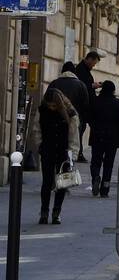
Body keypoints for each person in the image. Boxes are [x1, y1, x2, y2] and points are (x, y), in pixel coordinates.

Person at [37, 87, 78, 224]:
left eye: (54, 105)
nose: (52, 108)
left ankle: (56, 212)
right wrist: (40, 145)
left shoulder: (70, 113)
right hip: (48, 149)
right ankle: (44, 212)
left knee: (62, 183)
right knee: (47, 182)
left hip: (63, 151)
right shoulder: (42, 110)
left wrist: (72, 153)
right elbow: (36, 130)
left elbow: (73, 134)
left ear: (59, 103)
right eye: (49, 105)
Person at [88, 80, 119, 197]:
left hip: (97, 136)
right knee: (108, 164)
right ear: (113, 91)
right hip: (112, 138)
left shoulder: (95, 101)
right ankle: (105, 189)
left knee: (95, 162)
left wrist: (95, 126)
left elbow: (89, 117)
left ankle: (95, 177)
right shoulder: (117, 103)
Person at [47, 62, 89, 136]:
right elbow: (85, 107)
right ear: (74, 72)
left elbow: (46, 103)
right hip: (75, 123)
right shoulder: (81, 85)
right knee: (74, 145)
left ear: (62, 71)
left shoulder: (54, 83)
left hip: (56, 122)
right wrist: (82, 124)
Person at [73, 50, 100, 160]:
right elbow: (83, 86)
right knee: (80, 129)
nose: (93, 66)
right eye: (93, 63)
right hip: (82, 107)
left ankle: (79, 152)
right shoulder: (81, 70)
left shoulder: (85, 69)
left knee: (82, 128)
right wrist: (93, 85)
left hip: (85, 106)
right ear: (89, 59)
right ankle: (78, 153)